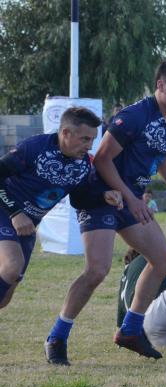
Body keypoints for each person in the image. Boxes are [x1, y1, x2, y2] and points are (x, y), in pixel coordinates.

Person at [45, 60, 166, 365]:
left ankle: (130, 330)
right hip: (101, 197)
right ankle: (57, 336)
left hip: (130, 200)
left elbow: (163, 162)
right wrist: (131, 198)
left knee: (162, 260)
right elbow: (102, 159)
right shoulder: (134, 115)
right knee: (97, 270)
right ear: (161, 86)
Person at [0, 107, 122, 311]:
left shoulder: (83, 164)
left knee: (5, 296)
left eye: (92, 140)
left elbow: (79, 198)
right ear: (65, 133)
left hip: (27, 226)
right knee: (12, 266)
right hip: (6, 212)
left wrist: (103, 195)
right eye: (85, 139)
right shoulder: (35, 147)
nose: (89, 145)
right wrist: (16, 213)